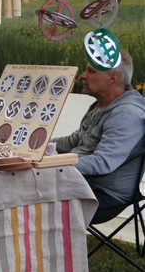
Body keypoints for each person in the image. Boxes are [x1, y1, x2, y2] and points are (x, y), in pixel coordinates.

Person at [54, 50, 145, 210]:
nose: (83, 75)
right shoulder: (102, 105)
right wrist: (35, 146)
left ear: (112, 78)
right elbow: (74, 141)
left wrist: (51, 165)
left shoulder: (126, 114)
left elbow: (102, 162)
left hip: (103, 194)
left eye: (91, 71)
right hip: (80, 181)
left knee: (23, 195)